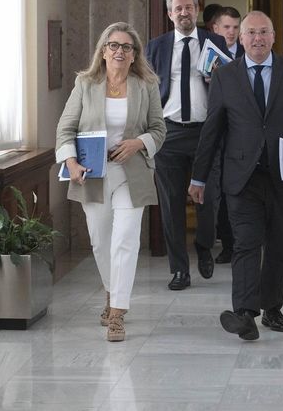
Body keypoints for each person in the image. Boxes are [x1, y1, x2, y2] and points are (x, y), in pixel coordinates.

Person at [189, 11, 283, 340]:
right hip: (242, 178)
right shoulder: (225, 77)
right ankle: (246, 314)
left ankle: (272, 309)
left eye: (263, 32)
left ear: (273, 36)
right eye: (250, 33)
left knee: (278, 246)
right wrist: (199, 178)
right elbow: (212, 130)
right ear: (240, 38)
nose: (257, 39)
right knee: (246, 245)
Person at [55, 22, 166, 342]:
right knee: (101, 242)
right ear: (103, 52)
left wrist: (138, 142)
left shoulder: (146, 85)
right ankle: (111, 290)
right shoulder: (85, 84)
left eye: (126, 47)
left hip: (133, 174)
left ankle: (118, 312)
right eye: (113, 45)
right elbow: (65, 128)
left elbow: (159, 129)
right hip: (92, 174)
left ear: (134, 55)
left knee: (125, 240)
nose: (119, 51)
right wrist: (71, 161)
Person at [146, 0, 231, 290]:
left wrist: (218, 79)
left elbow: (232, 85)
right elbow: (146, 90)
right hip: (168, 134)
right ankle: (179, 269)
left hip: (207, 133)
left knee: (209, 199)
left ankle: (205, 246)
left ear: (197, 10)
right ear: (170, 14)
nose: (184, 13)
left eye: (189, 8)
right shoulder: (155, 47)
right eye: (178, 8)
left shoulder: (216, 42)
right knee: (171, 205)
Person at [209, 6, 244, 264]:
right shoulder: (206, 54)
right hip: (215, 129)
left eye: (235, 27)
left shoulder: (250, 53)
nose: (231, 32)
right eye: (227, 27)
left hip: (242, 131)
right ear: (216, 29)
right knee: (219, 188)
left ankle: (243, 242)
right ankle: (226, 244)